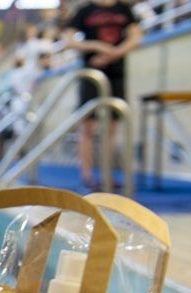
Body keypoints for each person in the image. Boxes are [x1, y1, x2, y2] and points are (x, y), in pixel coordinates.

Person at [63, 0, 143, 190]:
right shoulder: (85, 11)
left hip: (116, 73)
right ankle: (88, 175)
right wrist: (97, 46)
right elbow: (69, 40)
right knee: (87, 128)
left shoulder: (124, 9)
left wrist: (113, 53)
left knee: (111, 129)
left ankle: (107, 174)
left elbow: (135, 38)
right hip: (92, 73)